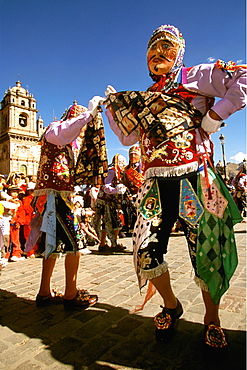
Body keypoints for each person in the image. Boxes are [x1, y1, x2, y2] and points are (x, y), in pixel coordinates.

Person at [104, 24, 246, 348]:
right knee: (145, 251)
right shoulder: (147, 97)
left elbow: (243, 78)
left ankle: (213, 318)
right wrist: (114, 112)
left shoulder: (195, 76)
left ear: (179, 52)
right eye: (151, 50)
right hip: (155, 185)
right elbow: (128, 138)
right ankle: (171, 304)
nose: (157, 55)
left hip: (196, 178)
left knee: (207, 250)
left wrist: (215, 116)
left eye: (165, 48)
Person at [25, 97, 102, 310]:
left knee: (53, 246)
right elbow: (67, 130)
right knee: (74, 245)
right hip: (56, 198)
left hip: (58, 197)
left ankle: (44, 292)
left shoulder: (67, 143)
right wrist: (88, 115)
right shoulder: (55, 129)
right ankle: (70, 295)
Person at [94, 154, 127, 252]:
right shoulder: (112, 171)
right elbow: (106, 187)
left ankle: (103, 244)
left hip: (108, 201)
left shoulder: (115, 171)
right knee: (115, 222)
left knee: (107, 223)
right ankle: (113, 244)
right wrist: (116, 190)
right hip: (106, 201)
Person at [122, 145, 144, 234]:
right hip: (129, 195)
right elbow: (123, 181)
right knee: (129, 212)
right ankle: (131, 228)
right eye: (131, 155)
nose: (133, 157)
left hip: (141, 193)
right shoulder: (126, 169)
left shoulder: (143, 167)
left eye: (135, 154)